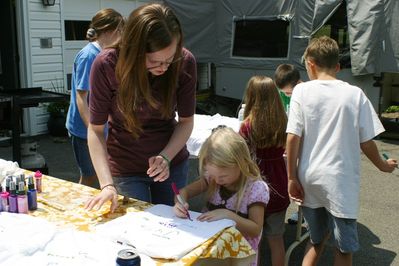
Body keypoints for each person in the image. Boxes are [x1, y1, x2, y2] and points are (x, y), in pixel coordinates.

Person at [286, 36, 398, 266]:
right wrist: (384, 166)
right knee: (343, 249)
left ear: (310, 64)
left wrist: (291, 177)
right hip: (340, 182)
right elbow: (367, 142)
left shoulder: (300, 92)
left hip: (309, 177)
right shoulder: (354, 94)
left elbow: (292, 138)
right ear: (338, 66)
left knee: (316, 240)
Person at [85, 3, 197, 212]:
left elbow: (186, 122)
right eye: (154, 61)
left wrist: (165, 156)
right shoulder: (106, 65)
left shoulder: (185, 62)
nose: (164, 67)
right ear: (133, 51)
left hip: (171, 164)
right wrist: (107, 184)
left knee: (173, 228)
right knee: (137, 233)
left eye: (169, 59)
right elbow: (96, 130)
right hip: (125, 167)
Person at [173, 127, 269, 266]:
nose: (217, 181)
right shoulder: (211, 179)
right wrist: (179, 203)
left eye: (223, 176)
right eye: (213, 175)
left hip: (238, 258)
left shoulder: (255, 189)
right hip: (211, 253)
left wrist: (228, 215)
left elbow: (255, 230)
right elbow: (183, 192)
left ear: (241, 164)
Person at [65, 8, 124, 187]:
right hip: (83, 130)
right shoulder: (89, 55)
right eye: (121, 30)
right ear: (109, 30)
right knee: (89, 177)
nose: (123, 34)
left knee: (101, 176)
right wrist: (93, 129)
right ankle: (81, 212)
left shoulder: (104, 53)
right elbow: (81, 97)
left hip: (99, 127)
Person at [239, 76, 289, 266]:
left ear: (251, 96)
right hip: (279, 182)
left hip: (256, 187)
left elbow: (240, 155)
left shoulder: (247, 125)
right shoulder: (283, 121)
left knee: (254, 238)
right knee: (276, 239)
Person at [274, 64, 302, 225]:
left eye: (288, 92)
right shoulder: (281, 93)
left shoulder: (305, 93)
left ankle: (303, 213)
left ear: (298, 84)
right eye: (283, 92)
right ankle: (299, 211)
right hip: (286, 140)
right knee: (288, 178)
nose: (286, 95)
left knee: (300, 178)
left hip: (299, 142)